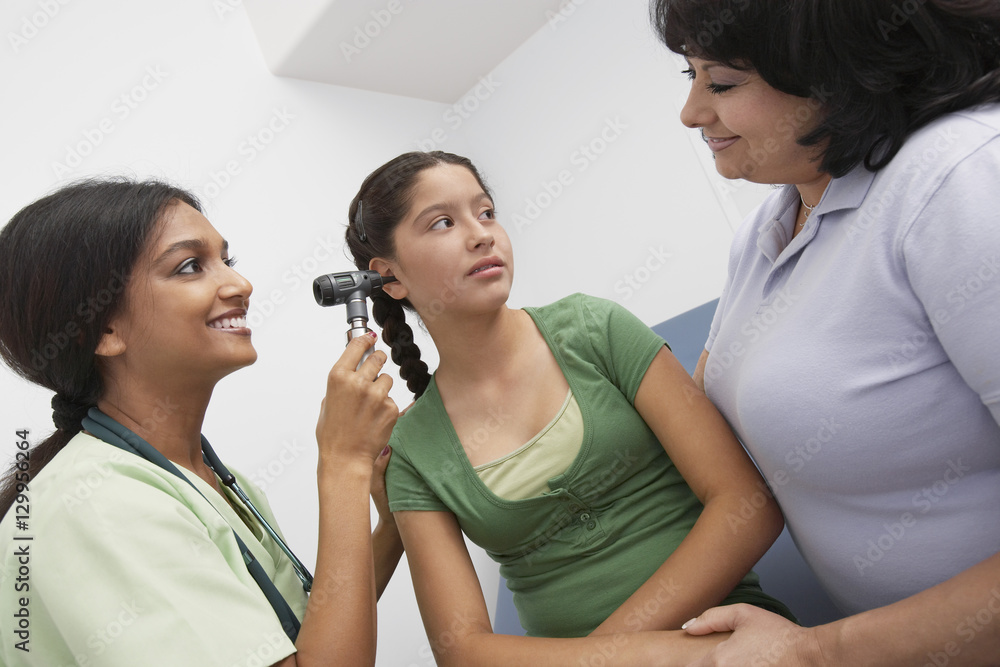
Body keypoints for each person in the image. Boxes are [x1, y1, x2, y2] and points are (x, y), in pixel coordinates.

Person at [343, 150, 793, 665]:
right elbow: (463, 651)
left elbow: (745, 506)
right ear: (390, 276)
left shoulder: (595, 330)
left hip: (730, 644)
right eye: (443, 222)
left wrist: (604, 657)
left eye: (486, 212)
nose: (481, 234)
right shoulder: (414, 451)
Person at [651, 0, 1000, 664]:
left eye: (720, 82)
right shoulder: (771, 224)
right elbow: (707, 403)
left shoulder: (959, 179)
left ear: (834, 73)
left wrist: (820, 651)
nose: (692, 112)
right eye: (689, 77)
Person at [0, 178, 402, 666]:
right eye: (190, 267)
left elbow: (306, 636)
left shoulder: (220, 482)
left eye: (226, 261)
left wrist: (392, 527)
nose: (240, 285)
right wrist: (343, 466)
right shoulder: (97, 505)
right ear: (103, 328)